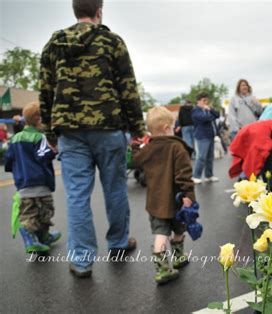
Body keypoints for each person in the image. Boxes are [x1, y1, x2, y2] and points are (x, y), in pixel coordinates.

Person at [39, 0, 145, 277]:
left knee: (76, 197)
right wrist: (137, 129)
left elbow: (46, 91)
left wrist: (50, 133)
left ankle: (83, 261)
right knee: (115, 189)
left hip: (70, 133)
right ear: (99, 11)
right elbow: (128, 88)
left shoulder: (55, 43)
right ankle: (119, 243)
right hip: (109, 128)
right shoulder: (111, 42)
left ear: (75, 11)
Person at [132, 107, 195, 284]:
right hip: (176, 200)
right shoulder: (177, 147)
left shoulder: (148, 148)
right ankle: (178, 256)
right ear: (167, 127)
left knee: (160, 233)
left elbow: (134, 161)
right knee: (179, 229)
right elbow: (184, 174)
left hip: (155, 202)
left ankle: (162, 269)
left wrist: (135, 146)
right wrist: (188, 194)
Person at [4, 102, 61, 253]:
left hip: (23, 185)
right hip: (41, 182)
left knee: (29, 213)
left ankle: (40, 239)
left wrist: (17, 171)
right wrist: (54, 151)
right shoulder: (39, 137)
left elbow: (8, 160)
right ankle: (34, 239)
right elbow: (42, 155)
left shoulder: (15, 139)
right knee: (45, 212)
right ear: (38, 120)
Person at [191, 92, 220, 184]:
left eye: (206, 100)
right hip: (202, 137)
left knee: (210, 157)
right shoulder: (195, 111)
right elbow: (205, 118)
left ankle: (209, 175)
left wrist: (210, 109)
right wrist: (210, 114)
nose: (206, 102)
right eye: (204, 100)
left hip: (210, 135)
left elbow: (217, 115)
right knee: (201, 157)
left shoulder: (208, 109)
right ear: (198, 101)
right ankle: (196, 176)